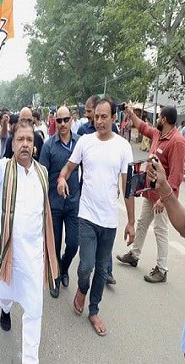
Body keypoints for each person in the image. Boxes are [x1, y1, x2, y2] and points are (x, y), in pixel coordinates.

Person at [0, 108, 58, 364]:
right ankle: (5, 309)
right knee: (4, 295)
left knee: (34, 310)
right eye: (20, 139)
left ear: (35, 146)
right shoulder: (2, 169)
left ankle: (30, 359)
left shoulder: (41, 173)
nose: (25, 144)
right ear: (12, 143)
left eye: (29, 140)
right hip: (8, 254)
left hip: (32, 258)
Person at [57, 98, 135, 337]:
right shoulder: (85, 143)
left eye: (104, 117)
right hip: (87, 216)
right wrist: (61, 178)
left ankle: (94, 310)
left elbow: (128, 187)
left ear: (114, 118)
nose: (99, 121)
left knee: (101, 269)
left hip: (109, 221)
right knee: (86, 267)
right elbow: (68, 168)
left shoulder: (123, 147)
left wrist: (131, 222)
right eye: (96, 117)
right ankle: (82, 288)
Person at [116, 105, 185, 283]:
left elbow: (176, 175)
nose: (157, 120)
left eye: (160, 117)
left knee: (160, 231)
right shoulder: (158, 135)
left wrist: (164, 199)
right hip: (150, 193)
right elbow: (142, 127)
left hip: (163, 199)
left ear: (165, 119)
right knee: (142, 224)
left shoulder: (177, 141)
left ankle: (162, 269)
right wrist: (130, 114)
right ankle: (134, 255)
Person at [39, 106, 80, 299]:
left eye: (66, 120)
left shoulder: (80, 143)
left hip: (73, 204)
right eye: (59, 120)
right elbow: (42, 176)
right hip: (53, 205)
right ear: (54, 121)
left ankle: (64, 268)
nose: (62, 124)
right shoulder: (48, 146)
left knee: (73, 244)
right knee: (54, 245)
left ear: (71, 120)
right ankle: (55, 276)